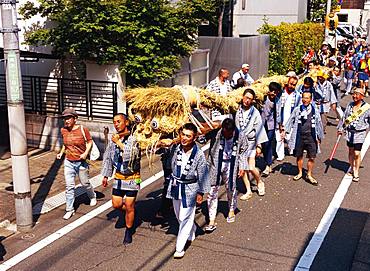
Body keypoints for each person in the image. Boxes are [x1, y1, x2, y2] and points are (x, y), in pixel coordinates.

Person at [166, 123, 209, 259]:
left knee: (185, 217)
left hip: (190, 189)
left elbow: (203, 173)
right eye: (183, 134)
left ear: (194, 137)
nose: (184, 138)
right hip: (175, 186)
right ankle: (193, 230)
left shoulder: (199, 154)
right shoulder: (176, 148)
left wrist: (201, 193)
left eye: (188, 136)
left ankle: (179, 248)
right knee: (179, 215)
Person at [101, 113, 141, 244]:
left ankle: (129, 231)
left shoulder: (134, 138)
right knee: (116, 204)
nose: (116, 124)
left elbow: (132, 156)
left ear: (126, 123)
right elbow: (108, 157)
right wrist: (106, 175)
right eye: (114, 122)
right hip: (118, 176)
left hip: (133, 177)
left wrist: (118, 142)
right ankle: (131, 212)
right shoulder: (114, 139)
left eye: (119, 121)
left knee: (129, 205)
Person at [205, 118, 246, 232]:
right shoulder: (217, 133)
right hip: (215, 164)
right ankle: (212, 219)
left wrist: (242, 166)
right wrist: (207, 128)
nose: (227, 135)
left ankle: (231, 209)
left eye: (229, 134)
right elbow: (202, 139)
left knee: (231, 188)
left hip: (231, 165)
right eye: (225, 133)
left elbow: (243, 150)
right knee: (212, 191)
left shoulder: (239, 135)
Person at [56, 108, 97, 220]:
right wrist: (61, 153)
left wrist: (85, 153)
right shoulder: (63, 130)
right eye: (65, 118)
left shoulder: (83, 129)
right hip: (69, 162)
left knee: (85, 183)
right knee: (69, 187)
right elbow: (65, 144)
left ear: (75, 118)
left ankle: (92, 196)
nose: (66, 120)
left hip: (82, 162)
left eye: (69, 118)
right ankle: (70, 209)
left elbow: (90, 142)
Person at [285, 92, 324, 185]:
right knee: (299, 155)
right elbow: (291, 120)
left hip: (311, 136)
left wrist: (319, 136)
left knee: (312, 156)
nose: (305, 100)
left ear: (310, 100)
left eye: (307, 98)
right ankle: (300, 172)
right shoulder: (297, 109)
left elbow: (319, 124)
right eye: (303, 98)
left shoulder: (315, 110)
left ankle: (309, 174)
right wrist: (285, 131)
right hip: (299, 135)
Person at [236, 89, 268, 200]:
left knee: (251, 167)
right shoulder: (237, 109)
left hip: (251, 142)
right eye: (246, 97)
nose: (247, 100)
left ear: (252, 100)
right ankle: (248, 190)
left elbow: (259, 128)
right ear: (242, 97)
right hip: (240, 143)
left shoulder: (255, 112)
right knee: (242, 168)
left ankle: (259, 181)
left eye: (250, 99)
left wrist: (259, 145)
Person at [337, 88, 370, 182]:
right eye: (354, 94)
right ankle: (352, 167)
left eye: (357, 94)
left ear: (362, 96)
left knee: (357, 152)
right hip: (349, 132)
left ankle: (356, 171)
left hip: (360, 133)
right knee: (351, 151)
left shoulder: (367, 107)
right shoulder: (350, 105)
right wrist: (340, 128)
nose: (354, 96)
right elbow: (344, 118)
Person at [276, 76, 301, 161]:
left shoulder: (297, 95)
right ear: (287, 82)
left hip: (291, 119)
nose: (292, 86)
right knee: (279, 138)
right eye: (290, 84)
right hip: (280, 118)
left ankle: (291, 148)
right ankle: (280, 155)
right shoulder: (280, 93)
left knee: (289, 137)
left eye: (294, 85)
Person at [260, 82, 281, 177]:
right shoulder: (263, 98)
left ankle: (268, 165)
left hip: (271, 125)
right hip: (261, 124)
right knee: (263, 144)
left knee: (268, 144)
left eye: (276, 92)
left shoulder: (277, 101)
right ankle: (267, 162)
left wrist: (279, 126)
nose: (274, 94)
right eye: (273, 91)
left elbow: (278, 114)